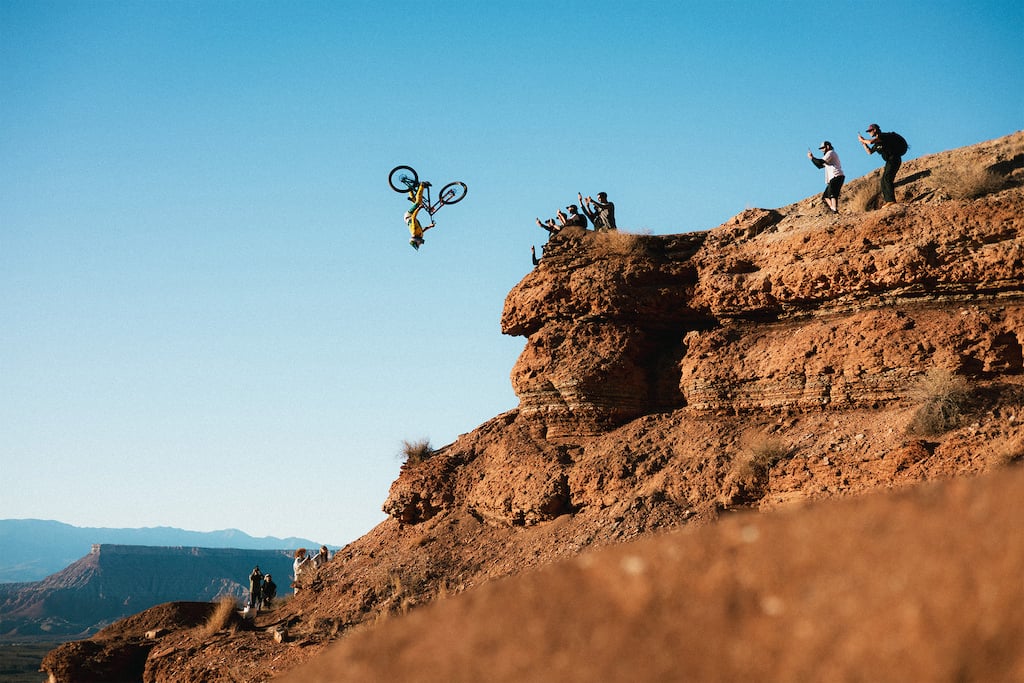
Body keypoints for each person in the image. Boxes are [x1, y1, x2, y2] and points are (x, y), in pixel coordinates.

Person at [858, 123, 904, 205]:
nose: (869, 133)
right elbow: (870, 152)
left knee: (887, 178)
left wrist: (863, 140)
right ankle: (888, 201)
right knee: (883, 181)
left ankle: (891, 201)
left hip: (894, 159)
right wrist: (864, 144)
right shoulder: (877, 143)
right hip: (889, 161)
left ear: (875, 130)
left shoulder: (883, 136)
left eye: (870, 131)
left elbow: (870, 142)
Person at [807, 141, 845, 213]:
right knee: (826, 196)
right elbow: (820, 165)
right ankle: (833, 209)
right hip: (835, 177)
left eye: (823, 148)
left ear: (827, 146)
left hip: (836, 175)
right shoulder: (829, 155)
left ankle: (834, 209)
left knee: (832, 194)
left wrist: (812, 158)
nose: (822, 150)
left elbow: (820, 162)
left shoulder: (830, 153)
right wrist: (812, 158)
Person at [405, 181, 435, 250]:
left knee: (418, 203)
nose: (420, 243)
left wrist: (419, 208)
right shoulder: (419, 235)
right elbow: (422, 230)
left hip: (409, 215)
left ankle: (422, 185)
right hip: (410, 216)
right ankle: (409, 188)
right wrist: (430, 226)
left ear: (415, 241)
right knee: (415, 201)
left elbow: (413, 217)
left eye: (418, 244)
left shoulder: (414, 232)